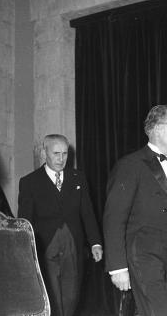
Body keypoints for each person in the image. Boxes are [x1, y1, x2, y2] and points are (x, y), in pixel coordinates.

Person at [103, 105, 167, 316]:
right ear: (158, 129)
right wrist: (117, 267)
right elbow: (113, 218)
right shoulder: (130, 165)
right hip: (144, 255)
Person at [18, 134, 103, 316]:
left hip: (73, 245)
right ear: (44, 153)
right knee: (52, 299)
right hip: (45, 246)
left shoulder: (78, 177)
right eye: (56, 153)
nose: (61, 159)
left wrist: (95, 242)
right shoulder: (29, 182)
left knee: (72, 298)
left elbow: (87, 213)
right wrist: (26, 252)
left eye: (65, 154)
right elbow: (25, 220)